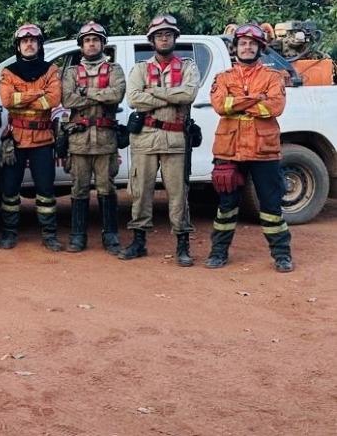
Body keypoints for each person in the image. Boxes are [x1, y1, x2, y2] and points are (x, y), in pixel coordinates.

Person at [206, 23, 293, 272]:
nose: (247, 47)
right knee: (226, 207)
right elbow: (221, 105)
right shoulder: (223, 78)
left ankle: (282, 255)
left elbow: (275, 107)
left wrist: (238, 103)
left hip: (264, 151)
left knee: (271, 207)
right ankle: (218, 252)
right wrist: (257, 99)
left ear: (260, 48)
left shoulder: (273, 77)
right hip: (229, 150)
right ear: (236, 48)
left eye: (252, 44)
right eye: (242, 43)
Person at [121, 15, 200, 264]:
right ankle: (139, 241)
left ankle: (182, 245)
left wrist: (153, 92)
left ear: (175, 38)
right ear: (152, 40)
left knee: (178, 194)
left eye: (168, 34)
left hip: (175, 138)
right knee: (140, 192)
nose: (163, 38)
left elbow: (189, 94)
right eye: (158, 35)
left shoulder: (188, 66)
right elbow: (134, 98)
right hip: (144, 138)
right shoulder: (141, 69)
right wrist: (170, 97)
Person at [61, 21, 126, 253]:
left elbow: (116, 95)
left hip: (105, 141)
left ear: (102, 44)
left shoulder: (114, 70)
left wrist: (85, 91)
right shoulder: (70, 72)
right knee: (78, 189)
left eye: (95, 40)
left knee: (106, 188)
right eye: (87, 40)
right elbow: (68, 100)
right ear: (81, 45)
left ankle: (110, 235)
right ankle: (78, 236)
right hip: (78, 142)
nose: (91, 44)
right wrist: (101, 95)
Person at [0, 24, 62, 250]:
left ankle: (49, 235)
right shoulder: (8, 72)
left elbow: (53, 99)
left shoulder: (51, 70)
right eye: (24, 41)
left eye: (33, 41)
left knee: (45, 191)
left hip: (43, 139)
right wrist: (37, 93)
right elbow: (7, 100)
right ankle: (9, 233)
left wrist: (21, 96)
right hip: (15, 139)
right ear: (18, 46)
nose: (29, 44)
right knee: (9, 190)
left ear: (39, 44)